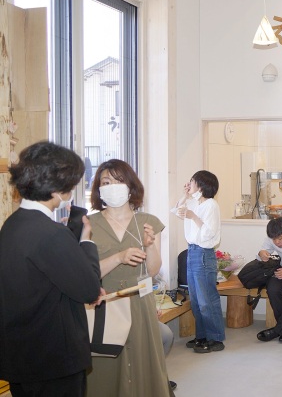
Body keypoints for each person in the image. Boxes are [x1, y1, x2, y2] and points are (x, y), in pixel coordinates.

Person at [0, 142, 102, 397]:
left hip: (21, 355)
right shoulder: (52, 234)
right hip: (54, 358)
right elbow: (90, 289)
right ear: (57, 188)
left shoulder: (12, 224)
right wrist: (86, 241)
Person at [86, 159, 173, 397]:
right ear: (98, 189)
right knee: (106, 367)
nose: (112, 186)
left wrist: (150, 246)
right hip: (104, 304)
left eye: (119, 181)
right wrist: (119, 257)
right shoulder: (88, 225)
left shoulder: (147, 222)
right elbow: (86, 275)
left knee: (142, 364)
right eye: (106, 182)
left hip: (139, 303)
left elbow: (152, 270)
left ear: (130, 186)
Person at [172, 170, 225, 353]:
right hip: (192, 251)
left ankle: (215, 338)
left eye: (192, 181)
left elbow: (209, 234)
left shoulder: (211, 205)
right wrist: (185, 195)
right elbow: (177, 211)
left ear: (201, 185)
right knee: (195, 300)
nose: (190, 184)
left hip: (203, 253)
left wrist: (193, 217)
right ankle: (202, 335)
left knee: (206, 299)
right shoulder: (194, 202)